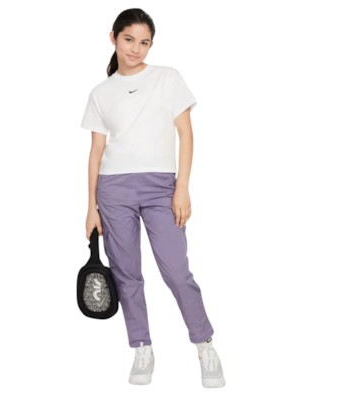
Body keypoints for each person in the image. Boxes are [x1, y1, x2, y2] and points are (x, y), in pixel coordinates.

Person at [81, 8, 225, 388]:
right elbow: (96, 152)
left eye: (144, 42)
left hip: (162, 186)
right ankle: (141, 347)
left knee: (176, 270)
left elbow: (186, 134)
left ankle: (204, 344)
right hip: (113, 190)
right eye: (129, 39)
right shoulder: (100, 93)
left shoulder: (168, 78)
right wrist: (91, 207)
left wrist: (182, 187)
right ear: (113, 38)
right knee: (126, 274)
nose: (136, 49)